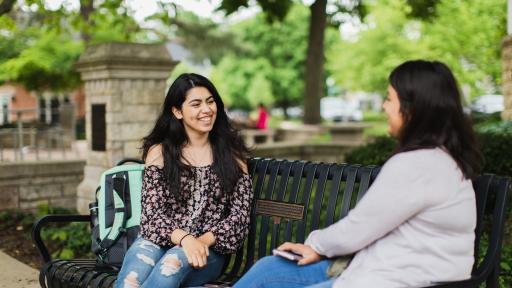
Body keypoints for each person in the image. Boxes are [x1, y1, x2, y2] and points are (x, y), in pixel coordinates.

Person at [233, 60, 483, 288]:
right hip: (381, 268)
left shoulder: (417, 164)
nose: (384, 106)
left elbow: (357, 229)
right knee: (269, 269)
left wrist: (315, 245)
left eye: (389, 99)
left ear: (412, 109)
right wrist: (318, 248)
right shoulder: (441, 158)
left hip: (399, 278)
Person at [115, 73, 253, 288]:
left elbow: (239, 218)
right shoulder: (160, 153)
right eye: (196, 104)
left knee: (168, 270)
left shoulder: (232, 155)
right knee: (130, 281)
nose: (206, 110)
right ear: (177, 111)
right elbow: (152, 216)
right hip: (160, 240)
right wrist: (185, 239)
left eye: (210, 101)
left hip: (209, 250)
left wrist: (200, 241)